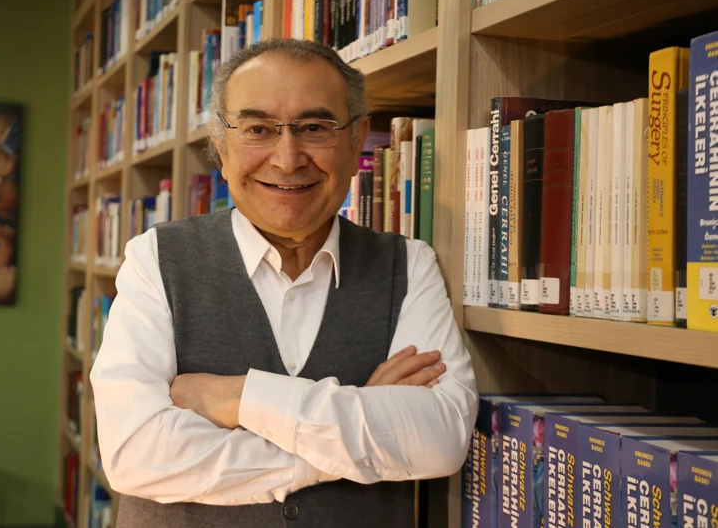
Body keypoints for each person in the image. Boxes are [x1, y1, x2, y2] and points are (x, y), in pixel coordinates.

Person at [89, 38, 478, 528]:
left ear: (357, 140)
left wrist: (239, 398)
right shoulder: (155, 259)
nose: (288, 158)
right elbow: (136, 454)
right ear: (221, 145)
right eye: (258, 129)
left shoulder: (410, 265)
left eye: (314, 128)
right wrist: (354, 440)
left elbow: (440, 440)